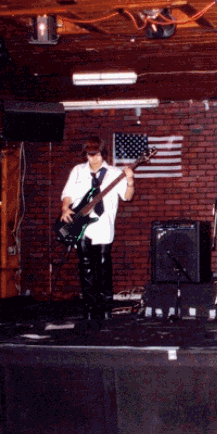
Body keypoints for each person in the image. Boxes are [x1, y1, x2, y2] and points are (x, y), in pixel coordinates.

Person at [60, 136, 135, 323]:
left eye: (97, 155)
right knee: (85, 267)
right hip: (80, 225)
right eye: (89, 155)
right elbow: (68, 193)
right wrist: (65, 208)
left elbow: (127, 197)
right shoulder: (78, 171)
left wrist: (130, 180)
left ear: (103, 154)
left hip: (103, 225)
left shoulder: (114, 173)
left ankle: (105, 307)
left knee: (103, 267)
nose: (93, 159)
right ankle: (89, 307)